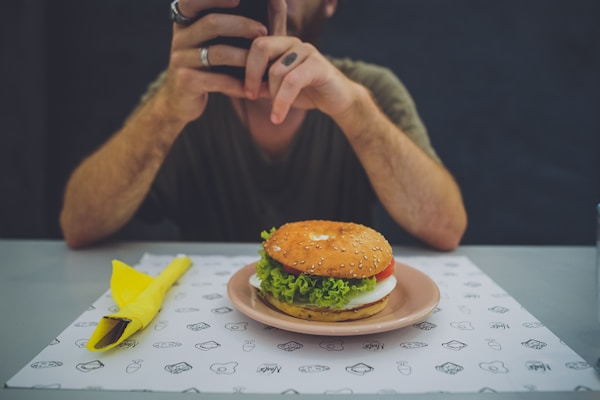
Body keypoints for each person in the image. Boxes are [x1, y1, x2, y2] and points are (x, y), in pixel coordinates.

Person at [60, 0, 467, 250]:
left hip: (335, 336)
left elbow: (446, 228)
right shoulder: (186, 95)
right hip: (216, 325)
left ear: (330, 1)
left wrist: (355, 111)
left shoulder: (369, 90)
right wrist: (165, 112)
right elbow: (78, 225)